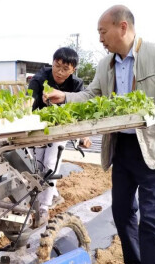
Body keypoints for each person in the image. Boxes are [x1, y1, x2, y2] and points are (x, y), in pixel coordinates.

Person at [44, 5, 155, 264]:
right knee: (123, 210)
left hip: (152, 146)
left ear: (122, 27)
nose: (100, 39)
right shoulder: (104, 64)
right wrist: (66, 97)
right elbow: (93, 95)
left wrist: (152, 114)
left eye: (102, 32)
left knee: (152, 217)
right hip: (122, 147)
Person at [28, 47, 92, 225]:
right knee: (37, 166)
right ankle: (51, 196)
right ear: (52, 63)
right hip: (40, 129)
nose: (60, 72)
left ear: (73, 70)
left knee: (50, 164)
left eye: (65, 69)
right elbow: (29, 108)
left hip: (61, 129)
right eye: (57, 66)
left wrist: (82, 136)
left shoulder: (77, 85)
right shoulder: (39, 79)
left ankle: (44, 208)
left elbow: (80, 113)